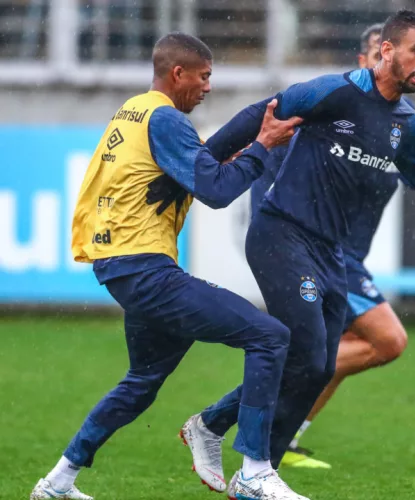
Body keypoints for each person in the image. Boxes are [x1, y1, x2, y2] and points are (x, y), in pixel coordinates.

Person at [179, 9, 415, 498]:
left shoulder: (406, 126)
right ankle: (253, 462)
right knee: (304, 349)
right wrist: (202, 162)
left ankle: (245, 463)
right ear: (386, 51)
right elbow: (262, 113)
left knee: (320, 365)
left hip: (331, 255)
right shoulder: (335, 92)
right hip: (282, 236)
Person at [30, 32, 305, 500]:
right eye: (204, 77)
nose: (208, 87)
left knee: (142, 381)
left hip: (121, 266)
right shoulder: (167, 120)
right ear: (178, 74)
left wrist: (233, 154)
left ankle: (58, 482)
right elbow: (216, 192)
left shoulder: (133, 111)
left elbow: (190, 174)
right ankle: (253, 468)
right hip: (145, 270)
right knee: (270, 336)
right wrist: (262, 145)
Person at [268, 23, 415, 469]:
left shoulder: (393, 124)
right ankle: (270, 397)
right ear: (373, 57)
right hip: (327, 252)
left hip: (344, 257)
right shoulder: (339, 110)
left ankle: (286, 432)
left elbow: (408, 172)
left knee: (340, 345)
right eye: (369, 53)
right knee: (388, 341)